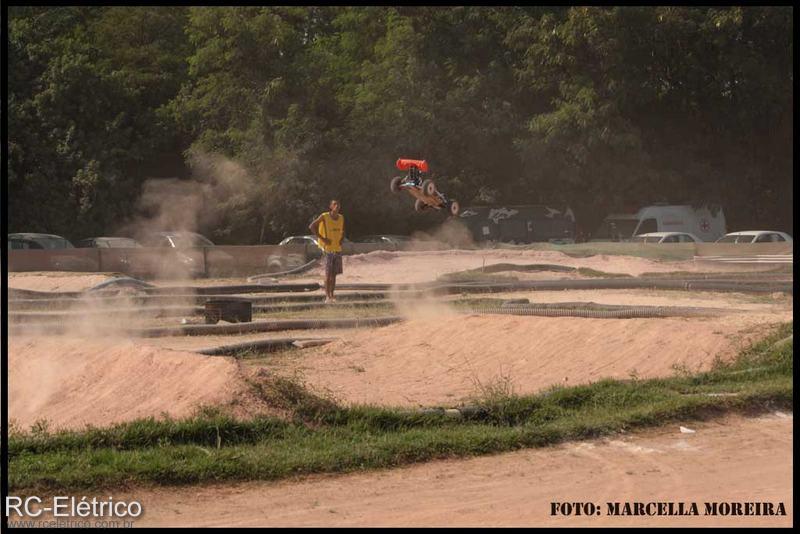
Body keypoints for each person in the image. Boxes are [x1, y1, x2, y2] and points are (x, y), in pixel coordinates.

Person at [309, 199, 345, 303]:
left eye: (338, 204)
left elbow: (343, 230)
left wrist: (342, 238)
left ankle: (332, 295)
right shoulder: (324, 216)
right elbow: (311, 226)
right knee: (328, 274)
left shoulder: (341, 218)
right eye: (335, 204)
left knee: (334, 274)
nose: (337, 206)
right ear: (331, 206)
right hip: (327, 249)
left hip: (337, 249)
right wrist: (322, 238)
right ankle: (327, 296)